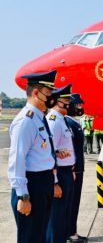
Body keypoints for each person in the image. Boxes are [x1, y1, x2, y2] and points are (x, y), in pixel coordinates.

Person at [7, 70, 58, 243]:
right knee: (31, 238)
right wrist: (23, 196)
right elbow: (17, 160)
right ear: (36, 93)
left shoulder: (39, 118)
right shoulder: (26, 121)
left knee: (40, 235)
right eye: (49, 93)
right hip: (32, 186)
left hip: (43, 182)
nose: (52, 97)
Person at [46, 84, 76, 243]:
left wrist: (70, 169)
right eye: (66, 100)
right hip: (58, 174)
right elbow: (50, 154)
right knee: (56, 216)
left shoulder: (61, 120)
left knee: (64, 214)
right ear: (57, 101)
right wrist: (55, 181)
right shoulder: (53, 121)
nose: (69, 103)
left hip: (66, 172)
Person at [66, 94, 87, 243]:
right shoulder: (68, 123)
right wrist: (73, 169)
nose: (80, 108)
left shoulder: (74, 122)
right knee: (71, 203)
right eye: (77, 105)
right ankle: (70, 233)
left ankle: (72, 230)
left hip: (78, 168)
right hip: (74, 169)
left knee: (74, 202)